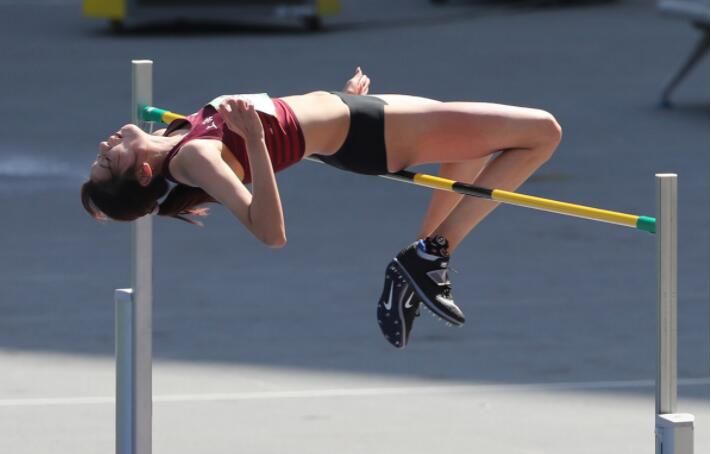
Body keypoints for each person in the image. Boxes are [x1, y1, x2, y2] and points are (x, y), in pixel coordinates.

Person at [81, 67, 562, 349]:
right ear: (143, 174)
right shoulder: (193, 158)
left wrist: (337, 101)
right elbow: (270, 233)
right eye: (108, 161)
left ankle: (420, 260)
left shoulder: (174, 136)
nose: (105, 146)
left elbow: (287, 126)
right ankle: (431, 254)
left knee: (474, 149)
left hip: (358, 119)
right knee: (543, 132)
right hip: (374, 132)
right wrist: (255, 139)